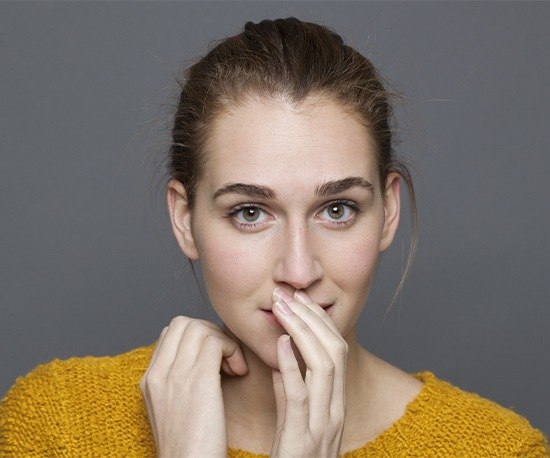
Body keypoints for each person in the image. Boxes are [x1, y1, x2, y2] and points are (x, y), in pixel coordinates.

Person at [1, 17, 548, 457]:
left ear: (388, 211)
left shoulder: (500, 449)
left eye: (337, 209)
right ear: (185, 219)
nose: (299, 270)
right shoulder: (56, 426)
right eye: (249, 213)